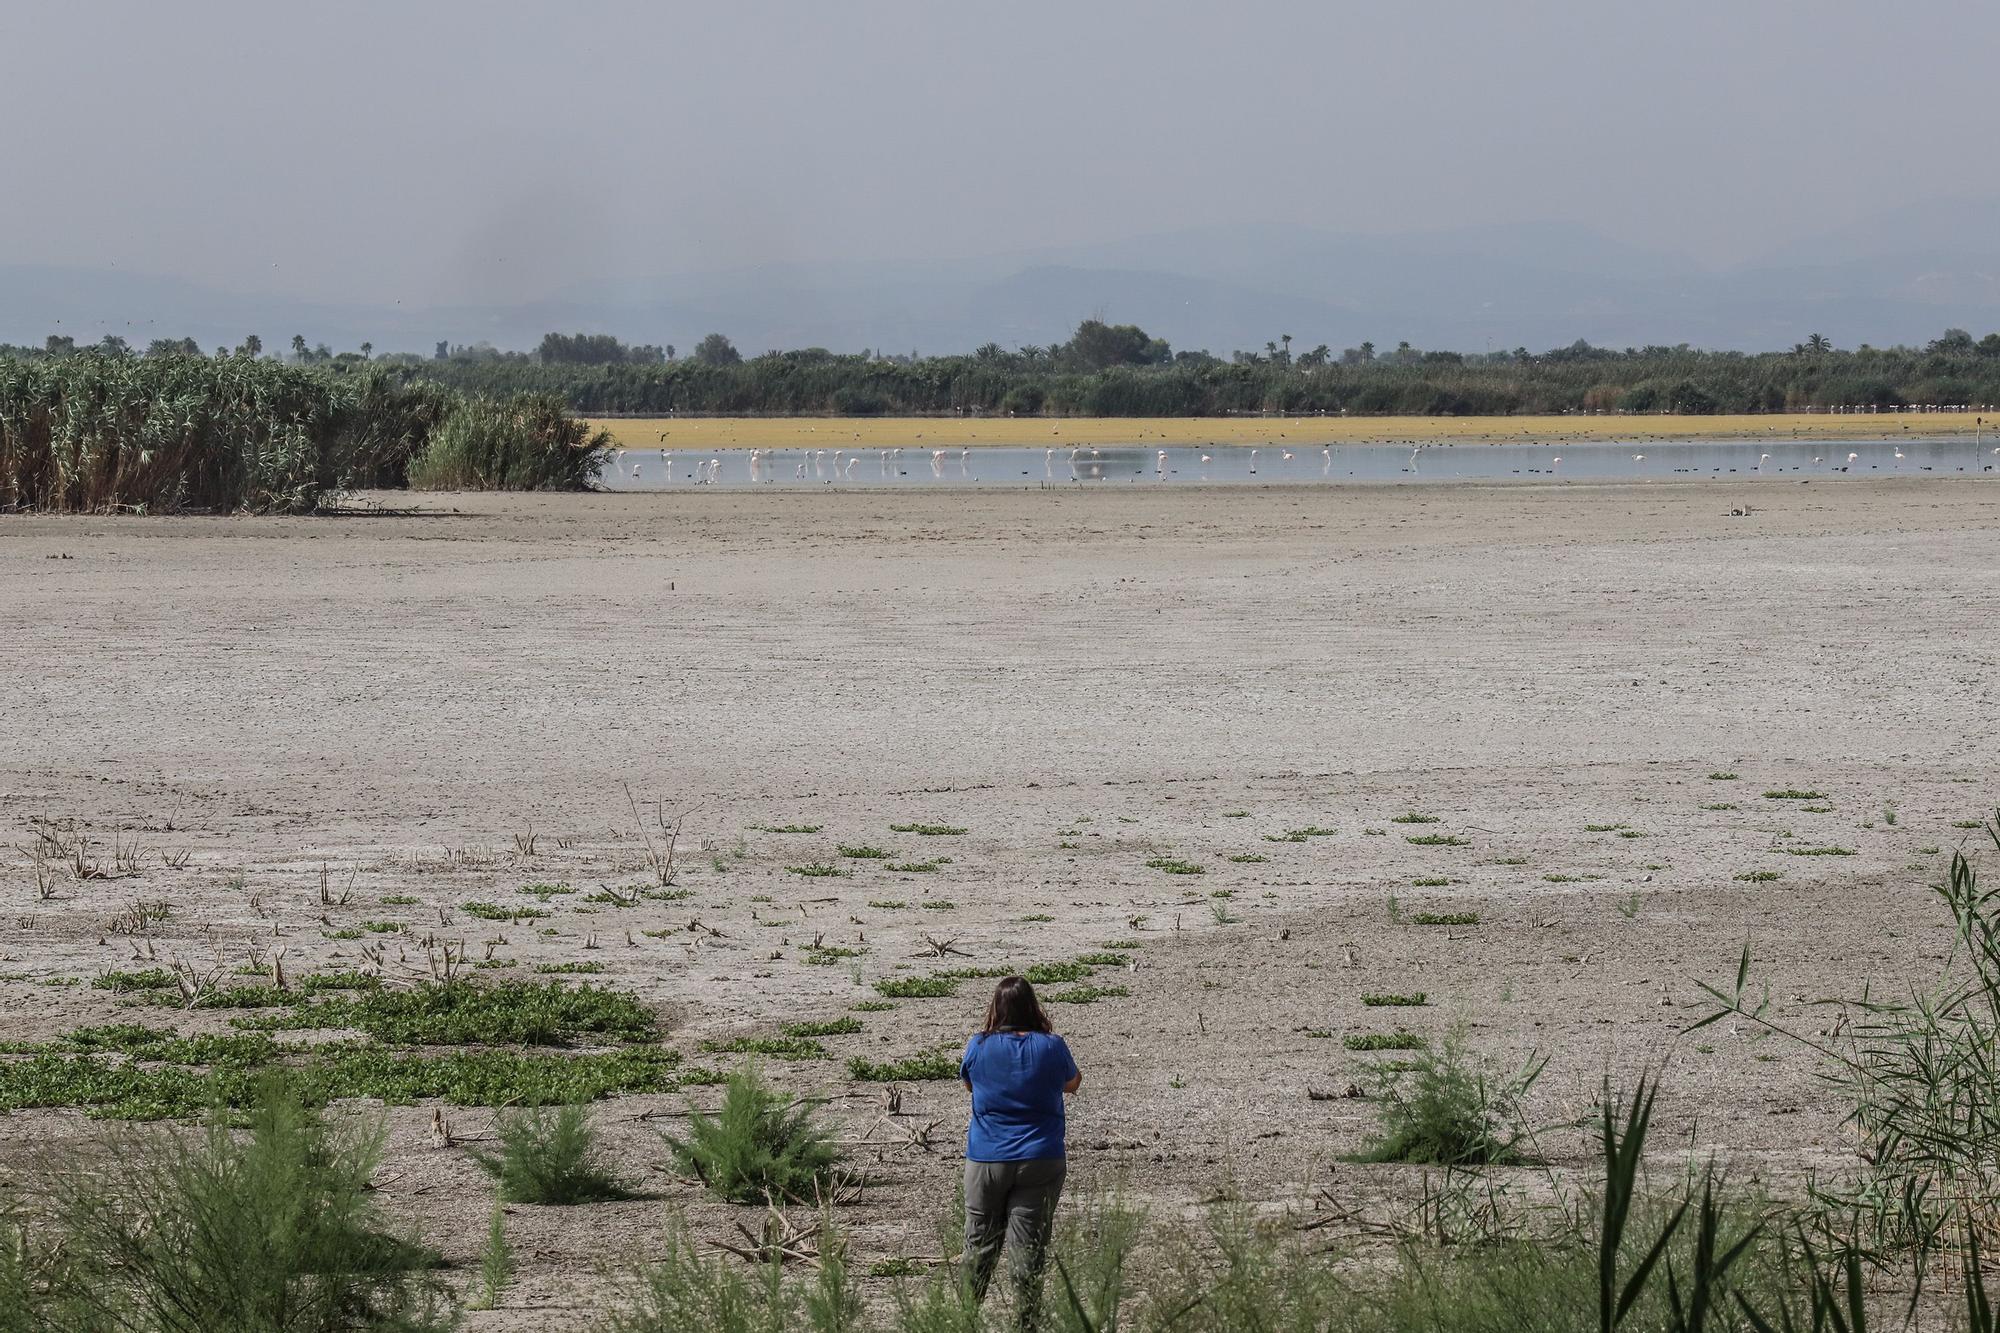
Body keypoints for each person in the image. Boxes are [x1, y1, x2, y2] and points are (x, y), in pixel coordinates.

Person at [958, 975, 1081, 1327]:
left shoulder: (978, 1046)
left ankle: (964, 1318)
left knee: (978, 1244)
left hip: (986, 1158)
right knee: (1028, 1250)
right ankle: (1026, 1323)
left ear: (996, 1009)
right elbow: (1072, 1083)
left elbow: (970, 1083)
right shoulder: (1052, 1046)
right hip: (1040, 1156)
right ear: (1033, 1007)